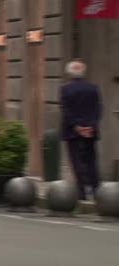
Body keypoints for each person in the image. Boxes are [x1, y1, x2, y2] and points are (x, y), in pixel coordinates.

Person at [60, 60, 102, 200]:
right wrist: (90, 125)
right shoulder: (93, 88)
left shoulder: (66, 89)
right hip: (91, 131)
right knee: (91, 160)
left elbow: (67, 111)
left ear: (70, 73)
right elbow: (98, 110)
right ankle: (96, 190)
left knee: (77, 161)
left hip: (73, 132)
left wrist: (78, 126)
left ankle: (82, 191)